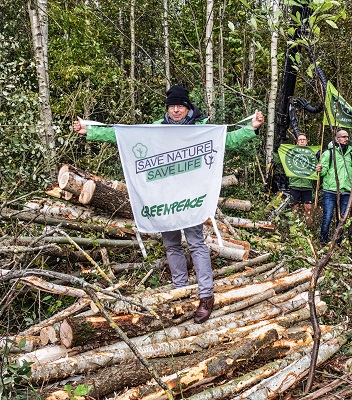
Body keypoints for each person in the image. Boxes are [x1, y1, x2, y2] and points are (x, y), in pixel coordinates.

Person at [73, 85, 265, 324]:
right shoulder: (157, 130)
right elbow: (121, 136)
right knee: (172, 244)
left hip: (191, 196)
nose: (175, 110)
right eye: (172, 106)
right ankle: (180, 292)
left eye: (180, 106)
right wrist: (90, 131)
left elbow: (227, 140)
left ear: (187, 107)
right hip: (164, 197)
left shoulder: (200, 129)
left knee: (196, 243)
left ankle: (206, 296)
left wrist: (251, 128)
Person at [316, 129, 352, 245]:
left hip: (345, 193)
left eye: (347, 137)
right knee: (327, 217)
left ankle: (337, 243)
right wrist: (319, 169)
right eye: (343, 137)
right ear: (337, 139)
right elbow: (323, 172)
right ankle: (323, 241)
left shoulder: (350, 155)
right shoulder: (329, 153)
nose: (346, 139)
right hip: (330, 191)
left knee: (342, 219)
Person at [288, 134, 315, 225]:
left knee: (308, 208)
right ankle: (293, 228)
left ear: (306, 142)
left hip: (307, 185)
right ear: (297, 142)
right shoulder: (291, 153)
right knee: (295, 207)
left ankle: (308, 228)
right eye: (300, 140)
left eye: (304, 139)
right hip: (294, 184)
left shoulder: (312, 154)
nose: (302, 141)